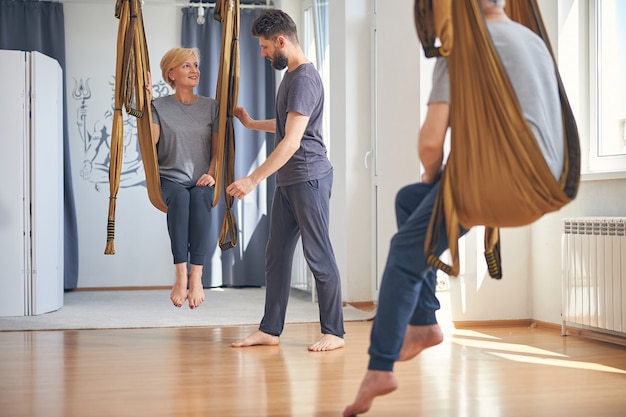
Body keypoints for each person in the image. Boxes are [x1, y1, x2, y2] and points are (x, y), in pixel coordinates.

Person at [343, 0, 564, 415]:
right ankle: (425, 322)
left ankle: (380, 366)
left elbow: (430, 143)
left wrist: (432, 176)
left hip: (493, 181)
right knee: (408, 202)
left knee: (406, 251)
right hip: (543, 178)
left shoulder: (463, 46)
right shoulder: (533, 40)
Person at [226, 9, 345, 352]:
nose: (263, 54)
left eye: (264, 47)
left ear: (281, 41)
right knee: (276, 255)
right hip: (289, 182)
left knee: (318, 255)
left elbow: (292, 142)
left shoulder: (305, 79)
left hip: (309, 179)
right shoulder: (291, 76)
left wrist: (251, 179)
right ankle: (270, 330)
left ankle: (334, 332)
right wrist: (251, 124)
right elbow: (289, 124)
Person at [150, 47, 219, 310]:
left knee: (201, 198)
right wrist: (142, 108)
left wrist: (211, 174)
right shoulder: (159, 106)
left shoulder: (211, 107)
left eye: (196, 65)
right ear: (171, 73)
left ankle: (197, 276)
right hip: (170, 179)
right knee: (180, 197)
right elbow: (150, 143)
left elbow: (217, 151)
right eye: (187, 66)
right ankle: (181, 274)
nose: (195, 70)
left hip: (202, 178)